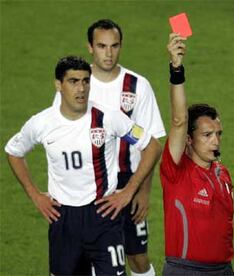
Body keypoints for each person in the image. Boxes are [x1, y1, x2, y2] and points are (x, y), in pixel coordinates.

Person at [5, 56, 161, 275]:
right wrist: (35, 195)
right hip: (63, 219)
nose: (81, 89)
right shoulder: (42, 123)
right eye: (73, 81)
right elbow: (14, 152)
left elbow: (152, 146)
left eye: (86, 81)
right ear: (58, 85)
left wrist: (128, 192)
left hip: (103, 216)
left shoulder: (108, 118)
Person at [54, 19, 165, 276]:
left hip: (128, 181)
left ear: (121, 46)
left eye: (114, 46)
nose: (109, 53)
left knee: (137, 256)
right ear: (90, 47)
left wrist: (141, 191)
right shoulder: (77, 84)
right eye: (102, 46)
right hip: (87, 185)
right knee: (91, 257)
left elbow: (152, 143)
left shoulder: (138, 86)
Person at [159, 33, 234, 275]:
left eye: (218, 133)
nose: (215, 141)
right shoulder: (175, 171)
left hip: (224, 270)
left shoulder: (223, 173)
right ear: (189, 140)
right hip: (185, 270)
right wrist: (176, 69)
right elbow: (180, 120)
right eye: (207, 135)